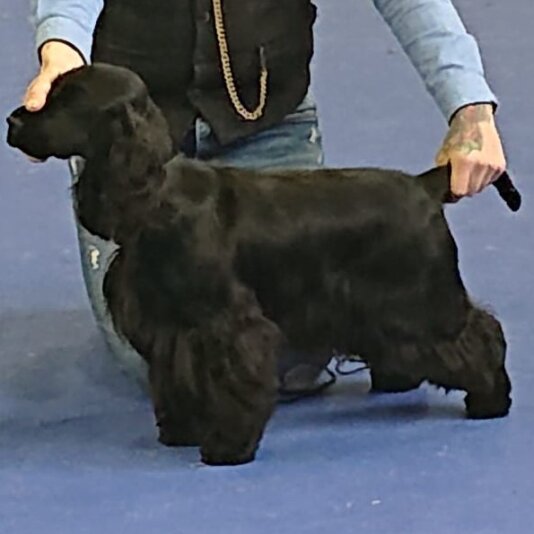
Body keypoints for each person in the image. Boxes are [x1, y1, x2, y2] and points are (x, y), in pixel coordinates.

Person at [23, 0, 507, 393]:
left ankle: (389, 335)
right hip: (131, 143)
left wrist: (470, 109)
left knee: (282, 364)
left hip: (265, 124)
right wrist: (62, 54)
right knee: (158, 355)